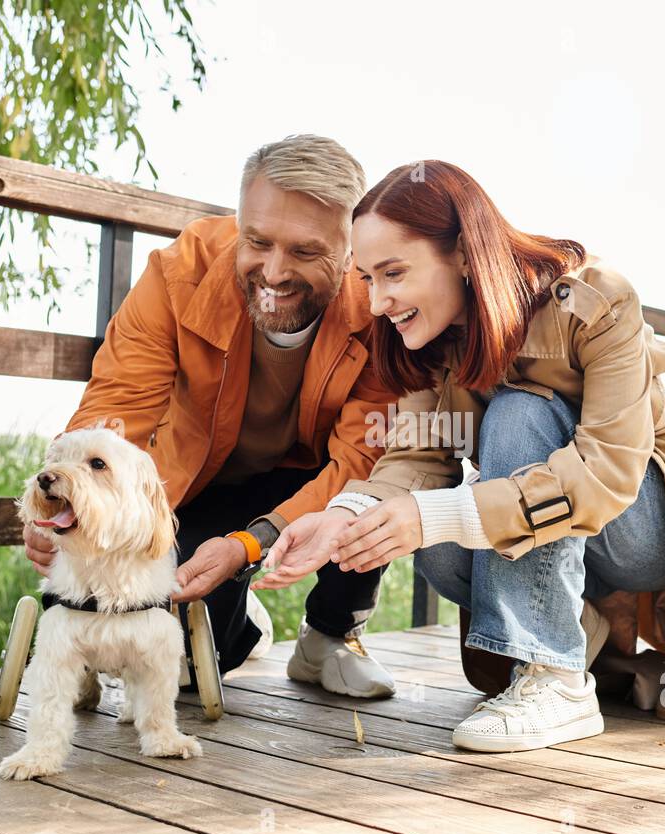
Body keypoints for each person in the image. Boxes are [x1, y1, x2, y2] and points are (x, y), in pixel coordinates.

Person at [256, 159, 665, 752]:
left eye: (393, 273)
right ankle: (567, 625)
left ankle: (560, 683)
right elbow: (414, 456)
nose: (377, 301)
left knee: (516, 414)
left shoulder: (598, 301)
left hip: (646, 529)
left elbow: (607, 471)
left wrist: (439, 513)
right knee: (429, 531)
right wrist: (343, 519)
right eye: (365, 278)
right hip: (560, 534)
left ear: (464, 255)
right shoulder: (426, 340)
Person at [22, 134, 401, 699]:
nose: (273, 272)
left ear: (350, 249)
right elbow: (116, 408)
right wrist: (79, 497)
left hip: (318, 476)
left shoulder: (378, 305)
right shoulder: (180, 273)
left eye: (304, 251)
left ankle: (331, 635)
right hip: (206, 477)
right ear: (240, 220)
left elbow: (361, 457)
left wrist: (250, 548)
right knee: (188, 673)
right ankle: (242, 623)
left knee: (371, 489)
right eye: (258, 241)